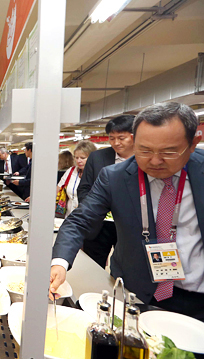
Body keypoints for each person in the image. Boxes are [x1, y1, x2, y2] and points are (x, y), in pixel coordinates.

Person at [51, 102, 204, 322]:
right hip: (137, 294)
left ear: (192, 144)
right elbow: (79, 221)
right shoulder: (114, 177)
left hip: (198, 298)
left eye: (168, 152)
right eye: (145, 150)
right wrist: (60, 262)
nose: (154, 160)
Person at [77, 114, 135, 268]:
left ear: (134, 136)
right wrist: (93, 209)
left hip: (130, 227)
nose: (116, 143)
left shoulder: (145, 158)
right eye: (112, 138)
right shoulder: (98, 158)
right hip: (99, 226)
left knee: (126, 267)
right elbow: (84, 188)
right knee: (92, 267)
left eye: (121, 138)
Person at [56, 141, 97, 217]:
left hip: (88, 219)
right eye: (76, 157)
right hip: (68, 218)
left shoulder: (99, 174)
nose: (78, 161)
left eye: (83, 158)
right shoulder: (71, 171)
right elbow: (58, 190)